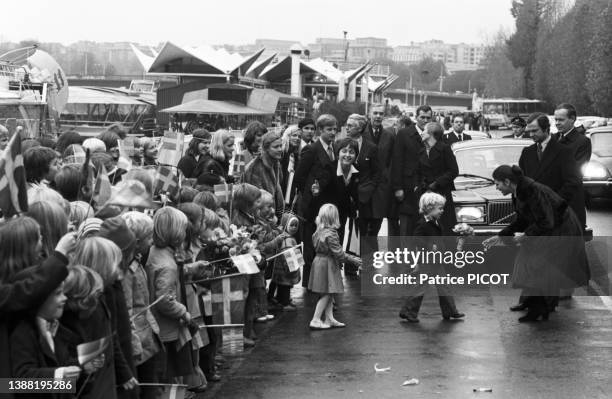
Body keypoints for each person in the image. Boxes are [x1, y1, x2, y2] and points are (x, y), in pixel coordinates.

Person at [483, 165, 589, 321]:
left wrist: (526, 235)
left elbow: (547, 222)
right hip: (551, 228)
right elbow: (523, 219)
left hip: (562, 230)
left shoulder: (532, 191)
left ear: (507, 182)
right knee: (533, 264)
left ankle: (541, 308)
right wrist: (501, 235)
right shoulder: (518, 191)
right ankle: (533, 304)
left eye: (497, 183)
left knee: (542, 267)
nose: (496, 188)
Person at [399, 192, 465, 323]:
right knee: (419, 287)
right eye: (440, 208)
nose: (442, 211)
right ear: (429, 208)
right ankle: (408, 312)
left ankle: (450, 311)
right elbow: (416, 239)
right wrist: (430, 246)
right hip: (426, 262)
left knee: (444, 286)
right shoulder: (422, 224)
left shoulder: (436, 222)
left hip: (437, 261)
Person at [58, 265, 116, 399]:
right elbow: (15, 385)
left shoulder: (75, 324)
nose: (63, 298)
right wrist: (80, 367)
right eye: (57, 294)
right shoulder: (45, 332)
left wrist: (84, 368)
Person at [294, 114, 338, 286]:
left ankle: (321, 280)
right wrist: (312, 190)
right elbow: (299, 177)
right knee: (312, 245)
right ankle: (310, 282)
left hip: (328, 206)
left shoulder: (334, 148)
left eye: (335, 129)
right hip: (313, 207)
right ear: (320, 130)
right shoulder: (311, 150)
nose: (333, 133)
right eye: (329, 129)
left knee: (326, 243)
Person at [308, 204, 361, 330]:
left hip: (319, 262)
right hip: (327, 264)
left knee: (328, 293)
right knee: (327, 293)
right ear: (334, 218)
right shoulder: (331, 234)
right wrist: (353, 260)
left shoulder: (318, 231)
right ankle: (315, 319)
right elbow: (339, 253)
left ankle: (329, 318)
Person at [391, 105, 428, 236]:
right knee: (407, 226)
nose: (425, 120)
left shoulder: (433, 135)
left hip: (425, 186)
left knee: (423, 227)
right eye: (422, 117)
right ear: (416, 117)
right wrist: (397, 187)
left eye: (428, 118)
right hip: (408, 186)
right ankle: (406, 254)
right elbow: (397, 162)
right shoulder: (404, 134)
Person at [553, 103, 591, 230]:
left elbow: (575, 173)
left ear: (573, 119)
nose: (557, 123)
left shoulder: (582, 142)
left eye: (561, 120)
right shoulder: (551, 139)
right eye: (555, 119)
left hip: (571, 203)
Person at [416, 122, 459, 234]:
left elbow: (453, 171)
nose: (422, 133)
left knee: (445, 225)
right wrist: (420, 185)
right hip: (426, 194)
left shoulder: (444, 149)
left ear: (431, 134)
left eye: (424, 131)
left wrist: (437, 183)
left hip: (442, 193)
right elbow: (419, 172)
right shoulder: (421, 150)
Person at [364, 105, 397, 236]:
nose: (378, 116)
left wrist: (387, 177)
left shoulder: (389, 136)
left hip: (381, 187)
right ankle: (363, 254)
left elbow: (392, 160)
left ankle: (370, 254)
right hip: (364, 185)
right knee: (363, 226)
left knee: (376, 224)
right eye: (375, 113)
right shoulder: (362, 133)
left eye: (381, 114)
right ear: (369, 114)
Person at [243, 131, 285, 220]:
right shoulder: (254, 168)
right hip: (260, 220)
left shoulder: (275, 163)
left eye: (281, 146)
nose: (280, 149)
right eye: (276, 147)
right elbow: (256, 202)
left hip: (273, 216)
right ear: (266, 149)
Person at [269, 213, 301, 310]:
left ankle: (279, 299)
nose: (294, 227)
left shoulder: (285, 237)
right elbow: (288, 255)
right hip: (285, 270)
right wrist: (294, 268)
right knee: (285, 286)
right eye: (291, 225)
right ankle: (285, 303)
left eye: (296, 225)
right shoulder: (287, 240)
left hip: (280, 269)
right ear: (285, 225)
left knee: (282, 286)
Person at [280, 125, 301, 208]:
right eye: (294, 135)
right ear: (287, 136)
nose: (297, 138)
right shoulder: (281, 154)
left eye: (299, 136)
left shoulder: (297, 156)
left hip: (291, 196)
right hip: (280, 192)